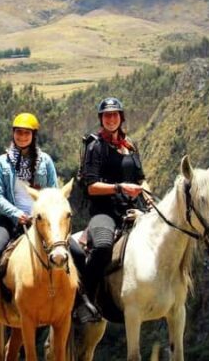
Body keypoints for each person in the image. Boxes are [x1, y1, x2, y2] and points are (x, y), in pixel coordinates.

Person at [0, 112, 58, 324]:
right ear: (13, 134)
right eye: (18, 132)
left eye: (26, 133)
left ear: (34, 135)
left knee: (72, 250)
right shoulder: (2, 162)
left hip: (42, 221)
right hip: (11, 220)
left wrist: (44, 214)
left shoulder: (45, 161)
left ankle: (80, 299)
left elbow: (53, 190)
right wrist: (17, 214)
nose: (22, 136)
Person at [75, 97, 149, 323]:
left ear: (121, 118)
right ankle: (84, 299)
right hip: (104, 212)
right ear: (101, 119)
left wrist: (148, 197)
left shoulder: (130, 146)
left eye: (115, 115)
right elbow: (91, 186)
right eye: (107, 115)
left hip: (132, 210)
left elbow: (141, 179)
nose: (111, 119)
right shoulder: (94, 145)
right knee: (103, 247)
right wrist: (119, 187)